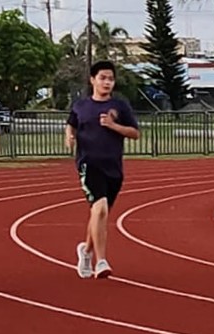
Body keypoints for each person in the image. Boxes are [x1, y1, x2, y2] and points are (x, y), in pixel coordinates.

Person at [66, 60, 140, 279]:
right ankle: (101, 261)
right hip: (89, 164)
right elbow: (71, 124)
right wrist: (69, 136)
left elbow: (135, 133)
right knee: (100, 209)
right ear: (93, 80)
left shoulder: (120, 107)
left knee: (99, 214)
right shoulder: (81, 106)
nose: (107, 82)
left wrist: (113, 126)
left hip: (113, 168)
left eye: (110, 79)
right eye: (103, 78)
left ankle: (86, 251)